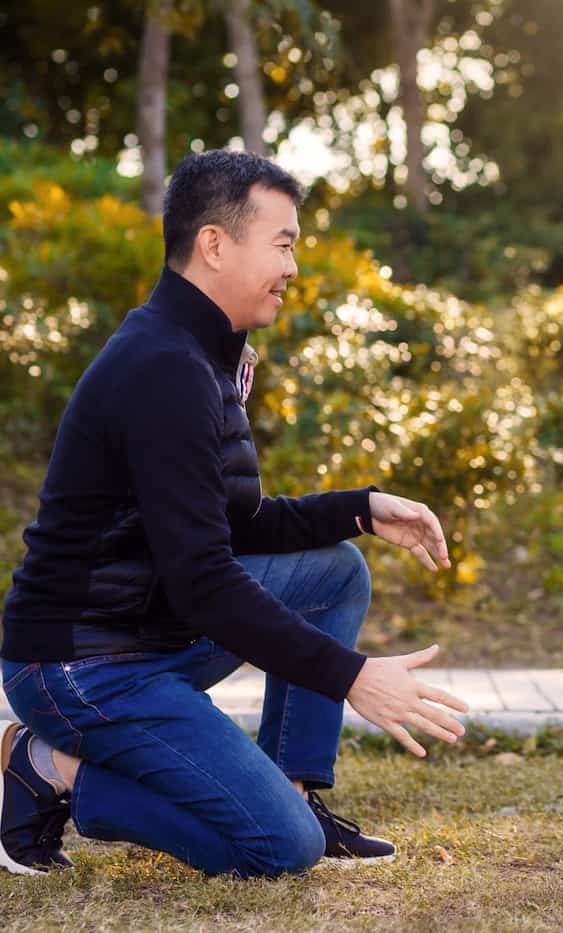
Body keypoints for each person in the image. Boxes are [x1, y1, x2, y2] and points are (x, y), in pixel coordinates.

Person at [0, 150, 469, 878]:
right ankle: (47, 764)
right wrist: (352, 676)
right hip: (78, 662)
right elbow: (205, 583)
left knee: (334, 572)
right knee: (278, 849)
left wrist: (362, 510)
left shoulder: (206, 352)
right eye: (282, 243)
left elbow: (233, 525)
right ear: (214, 244)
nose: (291, 266)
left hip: (148, 632)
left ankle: (291, 786)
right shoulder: (165, 367)